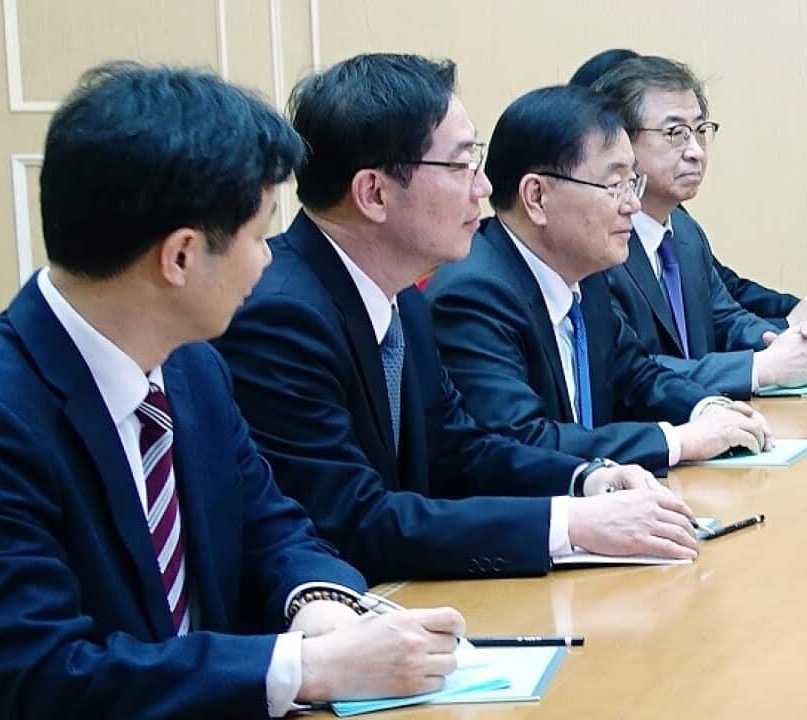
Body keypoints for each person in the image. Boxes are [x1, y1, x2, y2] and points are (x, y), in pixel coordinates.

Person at [0, 62, 464, 719]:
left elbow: (273, 530)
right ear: (180, 256)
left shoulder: (192, 370)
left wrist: (315, 606)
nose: (269, 257)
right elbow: (45, 678)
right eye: (256, 232)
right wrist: (306, 667)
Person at [214, 53, 701, 584]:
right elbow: (354, 521)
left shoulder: (402, 300)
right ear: (373, 193)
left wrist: (588, 478)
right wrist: (569, 524)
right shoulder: (281, 315)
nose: (485, 188)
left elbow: (458, 450)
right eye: (461, 165)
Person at [426, 85, 773, 475]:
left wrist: (707, 408)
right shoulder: (473, 294)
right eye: (615, 185)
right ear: (537, 197)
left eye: (633, 183)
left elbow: (637, 375)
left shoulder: (585, 274)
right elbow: (521, 441)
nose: (633, 205)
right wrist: (679, 440)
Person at [588, 54, 807, 397]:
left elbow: (726, 320)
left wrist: (797, 341)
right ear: (621, 143)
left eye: (700, 131)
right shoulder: (597, 244)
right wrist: (762, 368)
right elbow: (632, 372)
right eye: (675, 133)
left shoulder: (685, 232)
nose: (696, 152)